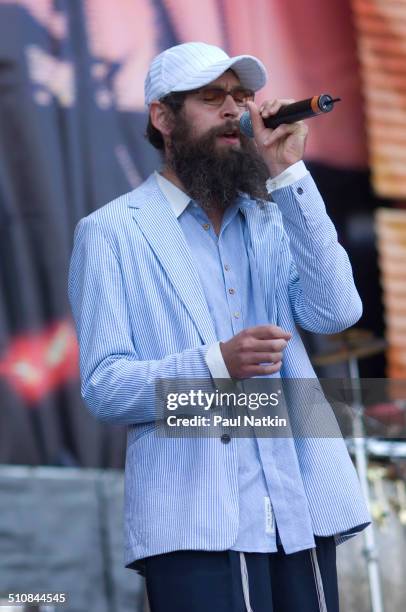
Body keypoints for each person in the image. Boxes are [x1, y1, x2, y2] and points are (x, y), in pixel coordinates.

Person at [68, 42, 370, 612]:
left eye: (242, 97)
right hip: (194, 518)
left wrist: (290, 175)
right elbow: (105, 388)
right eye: (212, 98)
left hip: (298, 505)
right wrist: (215, 365)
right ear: (163, 116)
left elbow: (336, 313)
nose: (235, 110)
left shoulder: (273, 213)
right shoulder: (110, 233)